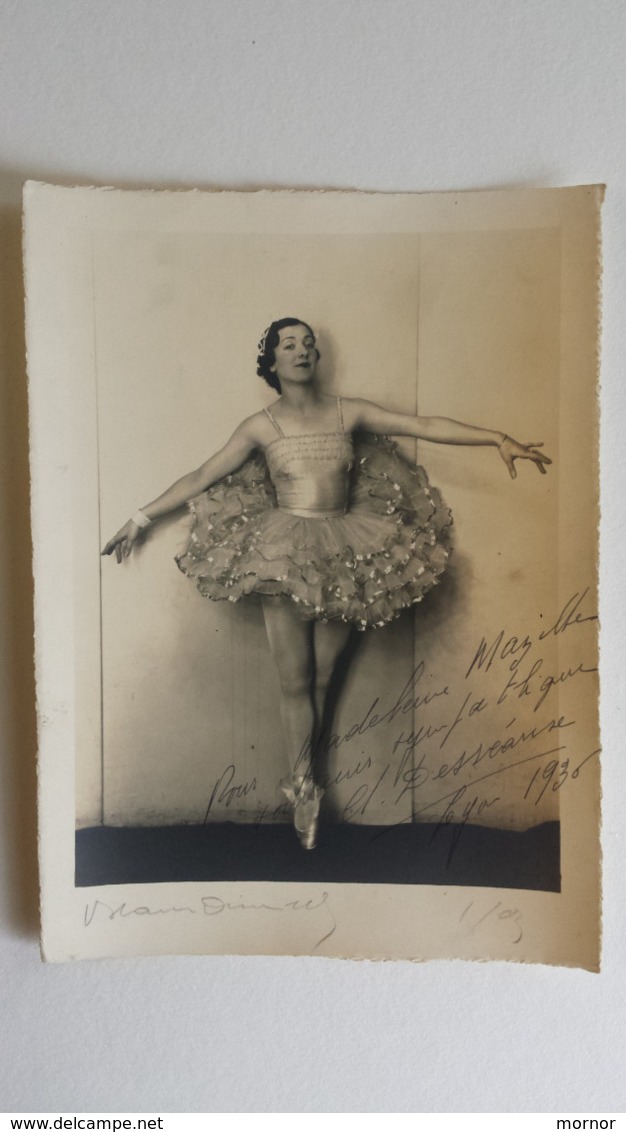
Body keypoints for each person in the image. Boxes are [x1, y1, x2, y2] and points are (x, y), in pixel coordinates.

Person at [103, 317, 550, 849]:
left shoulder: (347, 410)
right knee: (295, 682)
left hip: (345, 551)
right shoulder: (259, 425)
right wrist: (139, 518)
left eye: (308, 343)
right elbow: (202, 476)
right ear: (271, 361)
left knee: (322, 681)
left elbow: (424, 423)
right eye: (289, 344)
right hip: (284, 554)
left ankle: (301, 780)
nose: (302, 350)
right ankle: (305, 789)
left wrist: (498, 438)